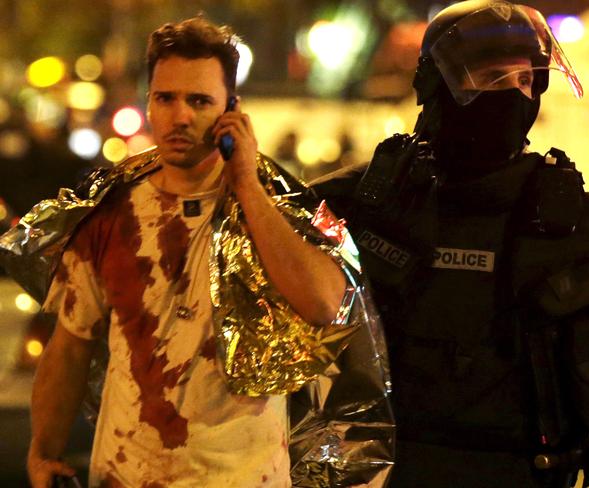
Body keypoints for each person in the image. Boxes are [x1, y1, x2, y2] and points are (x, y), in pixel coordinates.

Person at [310, 1, 589, 487]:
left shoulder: (571, 216)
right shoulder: (370, 201)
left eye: (525, 80)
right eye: (491, 77)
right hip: (389, 470)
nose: (512, 94)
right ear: (438, 87)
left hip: (523, 471)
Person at [23, 17, 356, 488]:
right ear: (150, 104)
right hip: (128, 475)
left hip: (245, 476)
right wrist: (43, 452)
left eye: (199, 101)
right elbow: (69, 348)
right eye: (166, 98)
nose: (180, 116)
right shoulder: (112, 215)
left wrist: (245, 185)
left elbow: (326, 303)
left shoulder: (272, 206)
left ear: (231, 110)